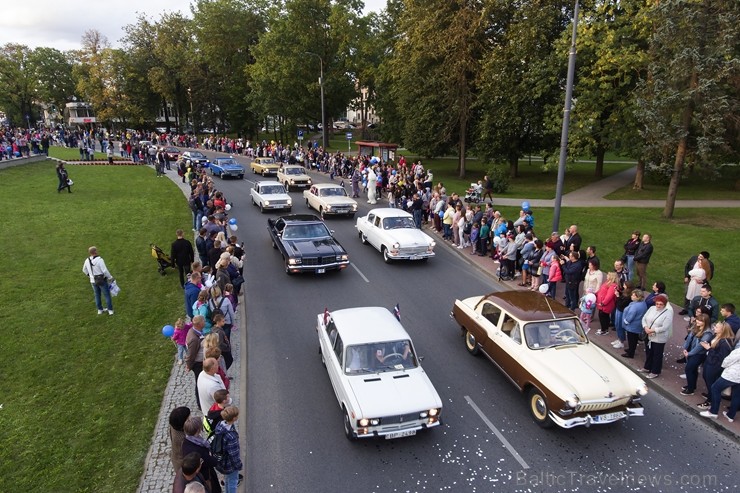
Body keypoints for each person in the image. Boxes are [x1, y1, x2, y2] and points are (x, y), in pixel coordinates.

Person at [697, 322, 736, 409]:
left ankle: (710, 401)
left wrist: (709, 348)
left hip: (715, 365)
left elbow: (721, 357)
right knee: (706, 377)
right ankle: (710, 395)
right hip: (709, 361)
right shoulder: (717, 336)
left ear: (723, 330)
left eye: (716, 327)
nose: (714, 328)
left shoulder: (725, 342)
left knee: (711, 382)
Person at [700, 345, 740, 422]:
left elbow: (728, 360)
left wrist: (723, 366)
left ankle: (713, 411)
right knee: (737, 395)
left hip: (732, 374)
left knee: (715, 388)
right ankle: (730, 416)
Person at [181, 416, 221, 493]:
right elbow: (211, 461)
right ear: (198, 430)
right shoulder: (197, 449)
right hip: (205, 475)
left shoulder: (187, 441)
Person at [638, 294, 673, 378]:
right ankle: (647, 367)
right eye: (657, 304)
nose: (658, 306)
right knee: (649, 352)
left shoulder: (668, 313)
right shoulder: (651, 308)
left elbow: (665, 327)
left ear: (664, 304)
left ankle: (655, 371)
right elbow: (644, 318)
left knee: (657, 354)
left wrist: (652, 330)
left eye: (661, 304)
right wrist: (645, 327)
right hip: (648, 334)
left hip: (659, 337)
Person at [680, 314, 712, 396]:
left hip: (698, 354)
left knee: (689, 369)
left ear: (705, 322)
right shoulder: (696, 327)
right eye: (697, 319)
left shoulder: (707, 333)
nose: (697, 321)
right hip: (690, 351)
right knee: (693, 370)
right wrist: (685, 348)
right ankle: (692, 386)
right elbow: (689, 339)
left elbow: (700, 346)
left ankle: (690, 389)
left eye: (701, 321)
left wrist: (689, 353)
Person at [214, 406, 243, 493]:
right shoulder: (231, 437)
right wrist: (239, 465)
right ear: (234, 418)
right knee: (233, 483)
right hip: (229, 464)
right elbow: (234, 454)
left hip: (221, 460)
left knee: (227, 480)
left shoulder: (219, 425)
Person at [82, 246, 114, 315]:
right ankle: (110, 310)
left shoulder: (87, 260)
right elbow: (105, 271)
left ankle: (100, 310)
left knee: (97, 295)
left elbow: (84, 270)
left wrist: (89, 275)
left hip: (93, 281)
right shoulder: (100, 260)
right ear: (95, 252)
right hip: (102, 280)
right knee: (107, 295)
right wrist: (110, 277)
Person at [186, 315, 207, 410]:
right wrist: (189, 366)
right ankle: (200, 404)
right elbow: (191, 354)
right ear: (199, 324)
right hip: (197, 364)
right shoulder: (194, 339)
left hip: (199, 362)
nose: (205, 322)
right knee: (199, 383)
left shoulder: (195, 331)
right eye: (204, 321)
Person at [621, 290, 648, 358]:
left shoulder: (635, 306)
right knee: (634, 339)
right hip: (638, 325)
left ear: (637, 297)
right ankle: (631, 349)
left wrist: (625, 321)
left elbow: (630, 316)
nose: (631, 296)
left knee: (631, 339)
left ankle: (630, 353)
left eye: (633, 295)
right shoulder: (643, 303)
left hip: (632, 326)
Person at [169, 406, 191, 472]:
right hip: (184, 465)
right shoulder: (183, 440)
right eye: (188, 418)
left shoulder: (174, 426)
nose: (191, 418)